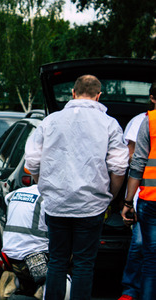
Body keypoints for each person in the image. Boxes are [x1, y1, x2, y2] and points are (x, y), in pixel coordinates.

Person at [24, 74, 129, 300]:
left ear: (73, 93)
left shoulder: (50, 121)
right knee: (83, 264)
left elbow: (32, 160)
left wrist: (43, 184)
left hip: (56, 204)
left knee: (58, 261)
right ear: (99, 96)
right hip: (91, 206)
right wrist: (111, 196)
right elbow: (119, 166)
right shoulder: (109, 124)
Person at [117, 82, 156, 300]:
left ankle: (132, 291)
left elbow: (137, 162)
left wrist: (127, 202)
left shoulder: (149, 122)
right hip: (149, 197)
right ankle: (130, 290)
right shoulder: (142, 121)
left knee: (150, 257)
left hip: (150, 198)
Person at [0, 184, 49, 300]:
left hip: (8, 254)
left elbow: (6, 199)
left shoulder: (17, 193)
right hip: (36, 258)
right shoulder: (49, 196)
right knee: (62, 265)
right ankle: (45, 289)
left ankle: (14, 280)